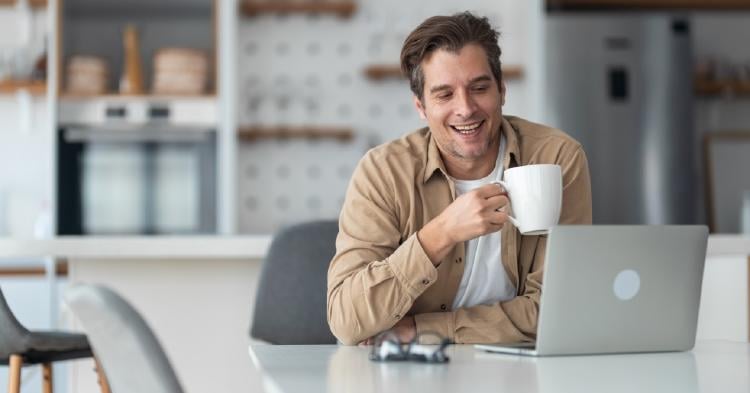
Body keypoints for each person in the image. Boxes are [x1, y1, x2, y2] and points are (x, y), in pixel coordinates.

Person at [327, 12, 592, 346]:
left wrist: (423, 329)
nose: (465, 108)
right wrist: (441, 233)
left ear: (502, 90)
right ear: (421, 107)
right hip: (409, 371)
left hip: (519, 370)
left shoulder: (556, 158)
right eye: (444, 95)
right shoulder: (383, 172)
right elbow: (347, 319)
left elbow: (559, 310)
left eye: (479, 88)